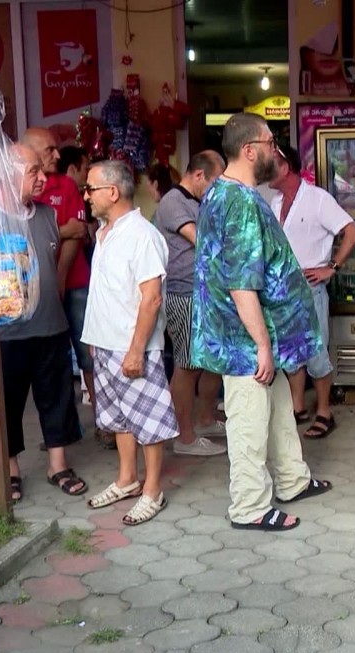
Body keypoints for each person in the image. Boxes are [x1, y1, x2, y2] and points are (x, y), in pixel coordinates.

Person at [192, 113, 333, 531]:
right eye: (271, 143)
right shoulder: (238, 202)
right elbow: (241, 282)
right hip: (245, 342)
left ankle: (292, 480)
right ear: (250, 150)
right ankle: (250, 506)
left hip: (252, 335)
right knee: (250, 423)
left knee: (278, 411)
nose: (277, 150)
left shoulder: (226, 193)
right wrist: (262, 345)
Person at [0, 144, 88, 502]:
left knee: (57, 396)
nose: (43, 178)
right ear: (8, 176)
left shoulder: (46, 215)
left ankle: (58, 464)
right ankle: (9, 469)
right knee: (6, 401)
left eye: (42, 171)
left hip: (51, 325)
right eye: (33, 172)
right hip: (6, 333)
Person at [81, 160, 180, 525]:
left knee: (148, 421)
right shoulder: (103, 233)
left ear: (112, 192)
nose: (86, 196)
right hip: (105, 344)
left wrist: (137, 349)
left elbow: (151, 298)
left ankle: (153, 490)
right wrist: (94, 338)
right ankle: (127, 479)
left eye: (90, 189)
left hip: (132, 346)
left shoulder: (142, 235)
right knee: (119, 419)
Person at [268, 144, 355, 439]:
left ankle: (324, 411)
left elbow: (353, 231)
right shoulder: (274, 202)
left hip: (310, 288)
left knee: (316, 353)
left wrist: (331, 266)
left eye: (271, 163)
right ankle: (298, 407)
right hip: (283, 288)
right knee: (291, 354)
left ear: (286, 167)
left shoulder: (317, 199)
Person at [22, 128, 106, 445]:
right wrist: (62, 229)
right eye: (50, 150)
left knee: (90, 357)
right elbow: (30, 234)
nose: (57, 155)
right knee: (49, 366)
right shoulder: (20, 188)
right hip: (32, 293)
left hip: (74, 283)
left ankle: (105, 421)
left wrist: (58, 276)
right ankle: (59, 431)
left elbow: (79, 231)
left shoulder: (66, 185)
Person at [156, 150, 227, 456]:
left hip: (208, 294)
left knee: (211, 362)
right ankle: (184, 438)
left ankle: (206, 419)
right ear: (199, 175)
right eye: (215, 181)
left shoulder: (200, 201)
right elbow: (203, 242)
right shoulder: (173, 202)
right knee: (187, 365)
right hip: (185, 295)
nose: (217, 188)